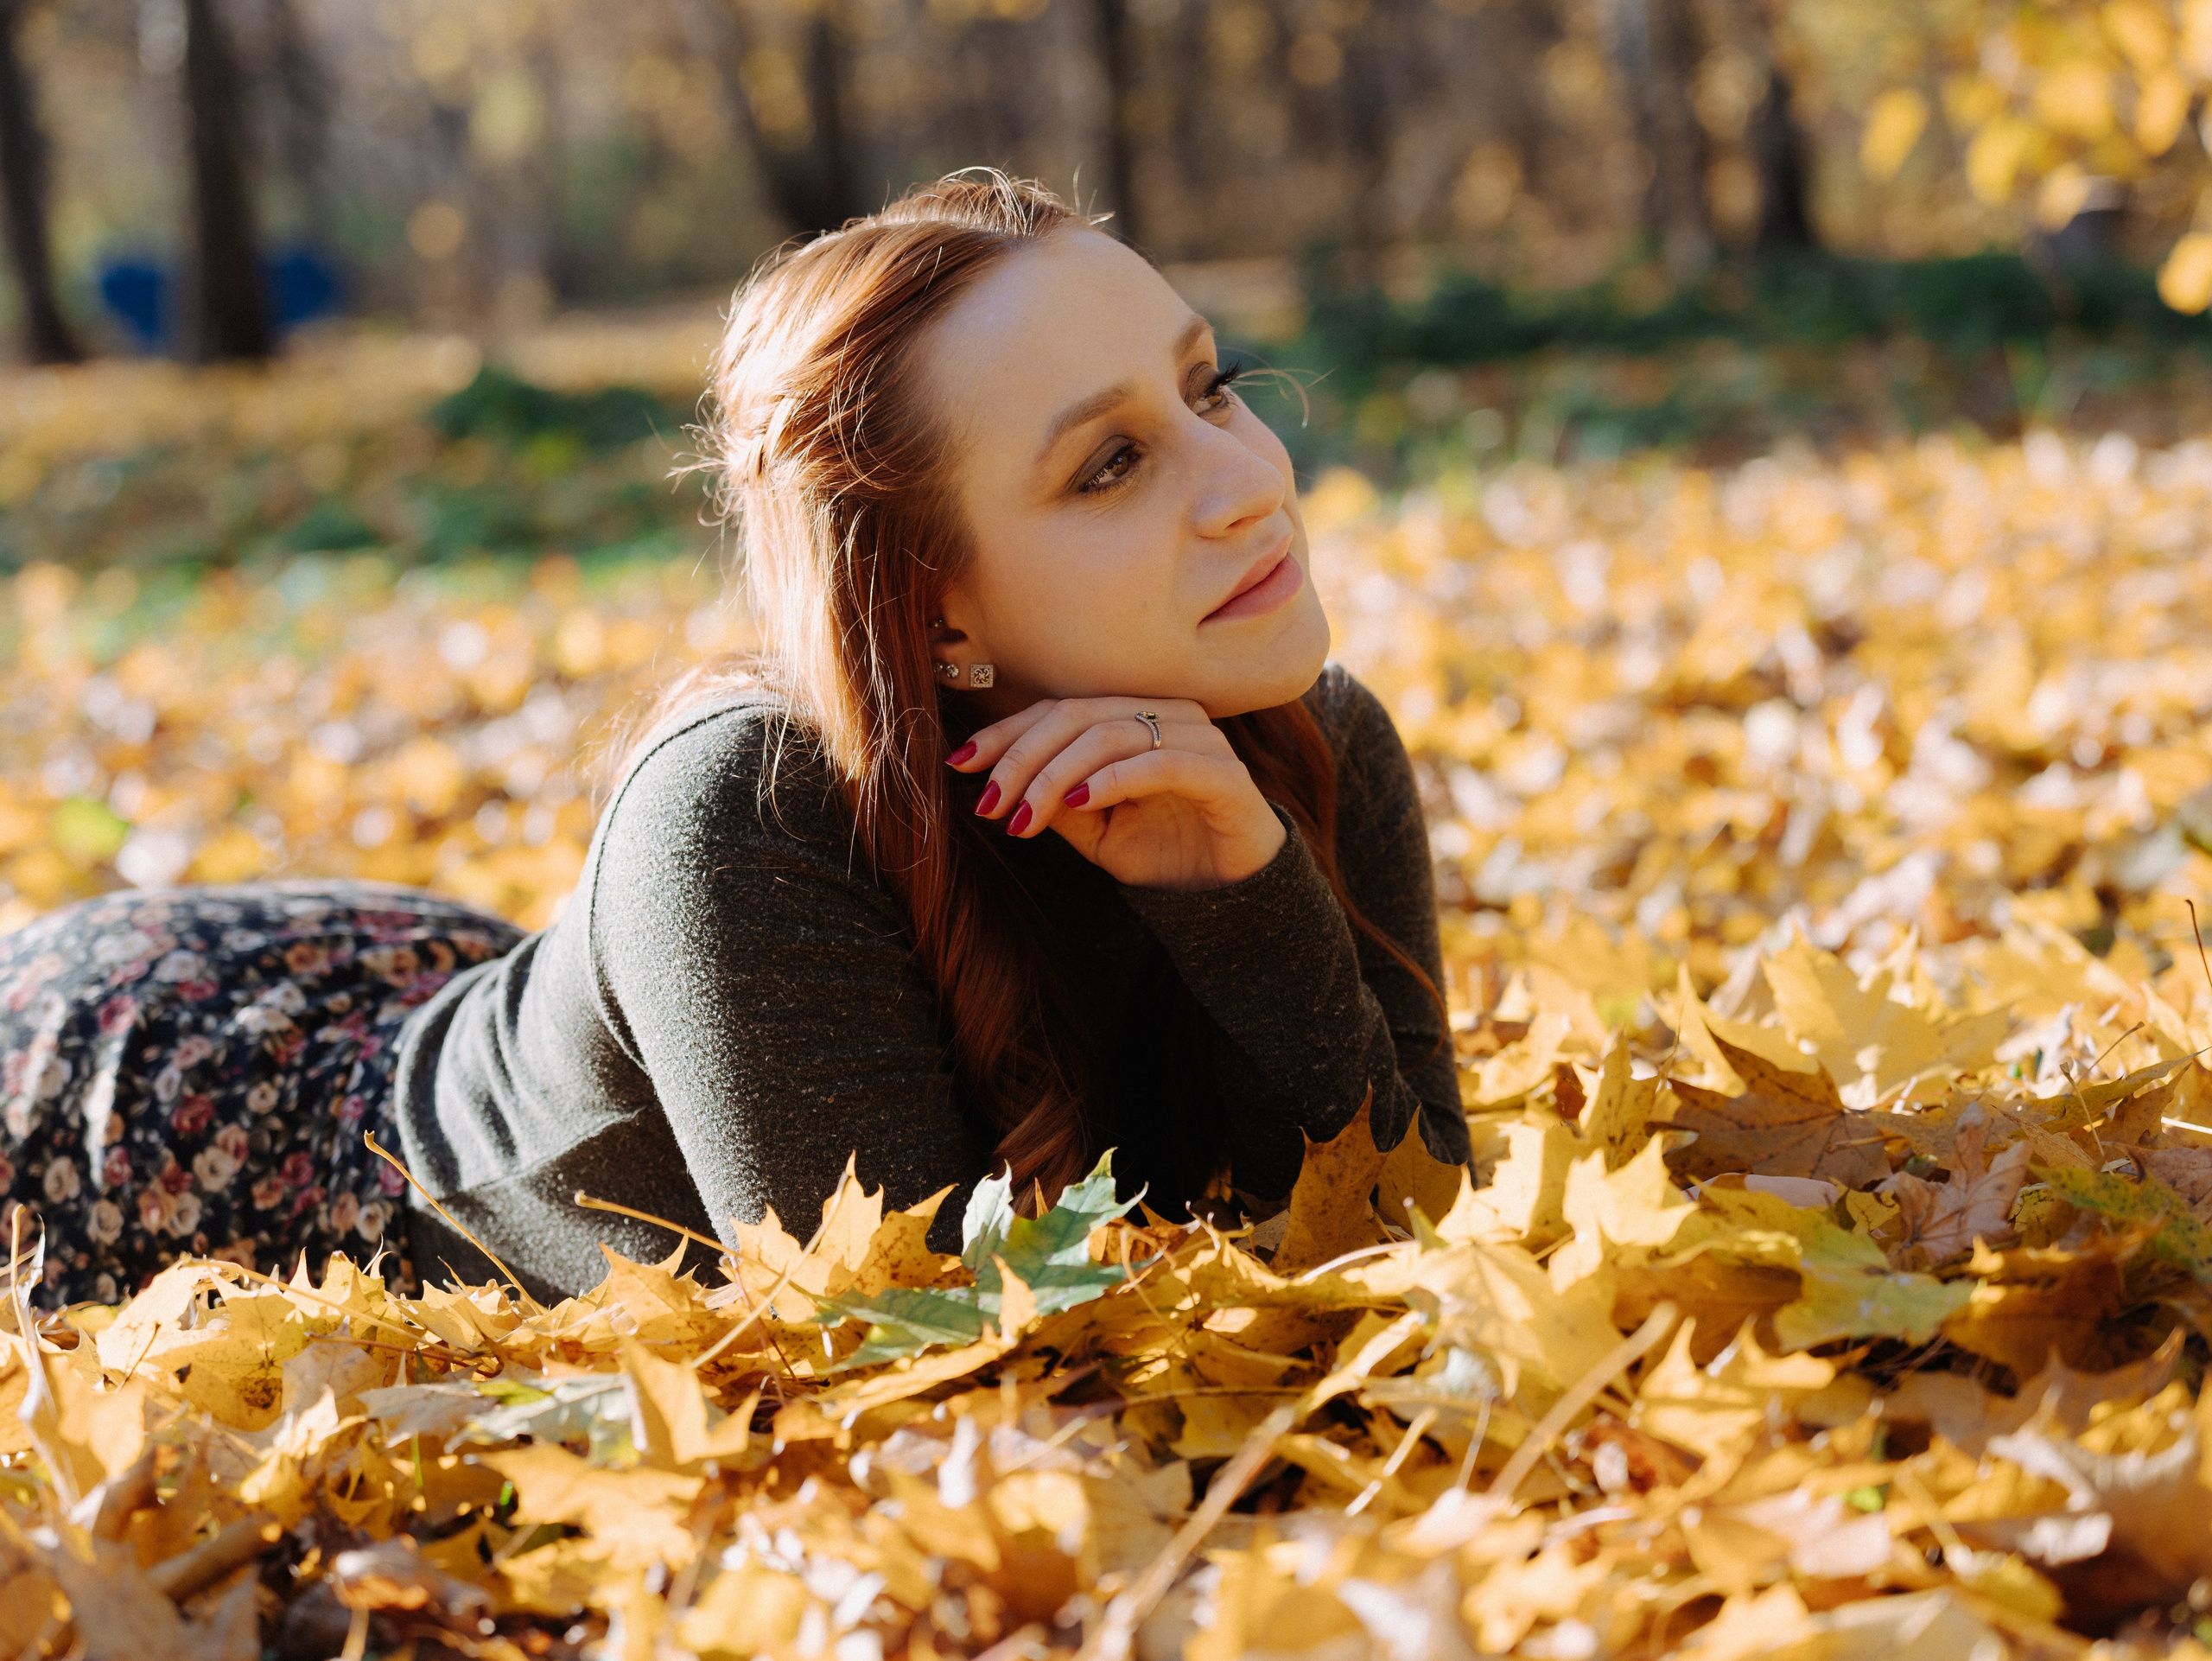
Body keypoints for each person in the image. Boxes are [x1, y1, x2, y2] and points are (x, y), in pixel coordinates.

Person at [0, 174, 1470, 1308]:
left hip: (447, 977)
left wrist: (1249, 897)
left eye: (1207, 383)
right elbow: (917, 1370)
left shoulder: (1310, 739)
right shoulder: (747, 811)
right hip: (200, 1128)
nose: (1248, 481)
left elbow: (1423, 1253)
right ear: (933, 598)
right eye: (1111, 464)